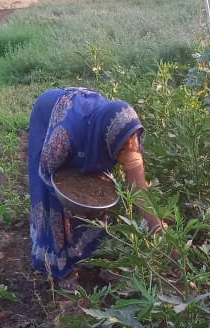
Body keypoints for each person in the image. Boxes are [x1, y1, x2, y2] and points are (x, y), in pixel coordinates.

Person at [27, 87, 165, 291]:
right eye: (122, 150)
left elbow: (139, 188)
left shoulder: (124, 133)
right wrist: (71, 199)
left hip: (85, 124)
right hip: (49, 112)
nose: (126, 152)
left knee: (96, 191)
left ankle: (93, 253)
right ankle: (62, 267)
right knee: (55, 203)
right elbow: (46, 170)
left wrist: (158, 228)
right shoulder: (62, 138)